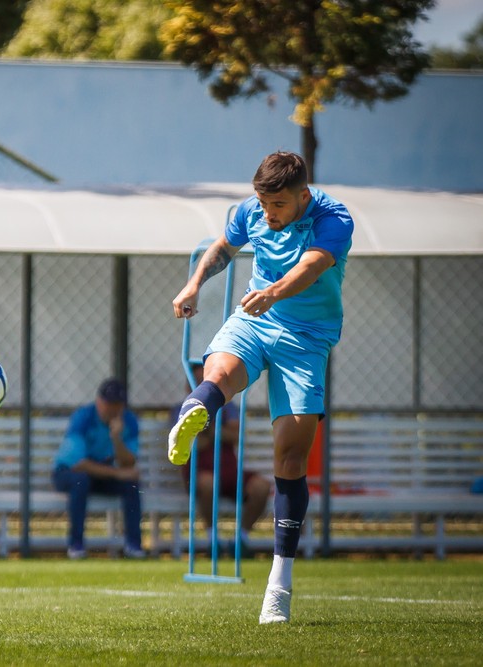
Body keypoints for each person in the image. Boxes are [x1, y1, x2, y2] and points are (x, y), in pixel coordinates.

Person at [169, 151, 354, 624]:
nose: (267, 213)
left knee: (289, 458)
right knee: (219, 373)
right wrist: (194, 285)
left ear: (302, 196)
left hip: (305, 339)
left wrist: (272, 291)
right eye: (262, 202)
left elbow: (310, 269)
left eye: (277, 205)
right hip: (254, 320)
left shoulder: (334, 218)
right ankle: (194, 414)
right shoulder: (251, 211)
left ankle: (279, 586)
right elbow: (223, 249)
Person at [171, 361, 271, 554]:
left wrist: (207, 431)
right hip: (199, 472)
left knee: (262, 487)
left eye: (205, 382)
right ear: (188, 385)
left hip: (228, 471)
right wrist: (217, 433)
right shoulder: (180, 410)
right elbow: (192, 445)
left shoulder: (227, 407)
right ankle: (212, 538)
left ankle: (240, 539)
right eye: (197, 383)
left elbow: (236, 436)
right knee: (208, 483)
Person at [53, 378, 145, 560]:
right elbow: (79, 464)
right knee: (81, 481)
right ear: (99, 401)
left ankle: (133, 545)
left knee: (131, 485)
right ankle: (76, 545)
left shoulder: (129, 421)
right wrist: (119, 473)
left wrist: (116, 438)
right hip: (67, 473)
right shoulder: (83, 418)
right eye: (109, 403)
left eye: (118, 404)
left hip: (100, 475)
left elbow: (129, 464)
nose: (113, 409)